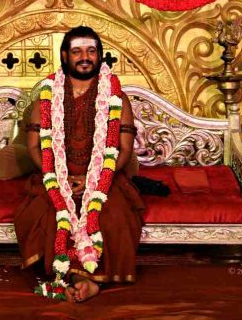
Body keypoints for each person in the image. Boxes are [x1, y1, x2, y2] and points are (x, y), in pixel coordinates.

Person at [14, 26, 144, 302]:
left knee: (112, 214)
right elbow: (35, 146)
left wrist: (94, 181)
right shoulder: (47, 97)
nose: (85, 57)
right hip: (54, 176)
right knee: (48, 212)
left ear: (99, 55)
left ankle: (84, 279)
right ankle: (77, 278)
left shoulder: (117, 98)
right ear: (65, 56)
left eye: (91, 51)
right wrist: (57, 177)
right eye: (77, 52)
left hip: (105, 178)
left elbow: (123, 149)